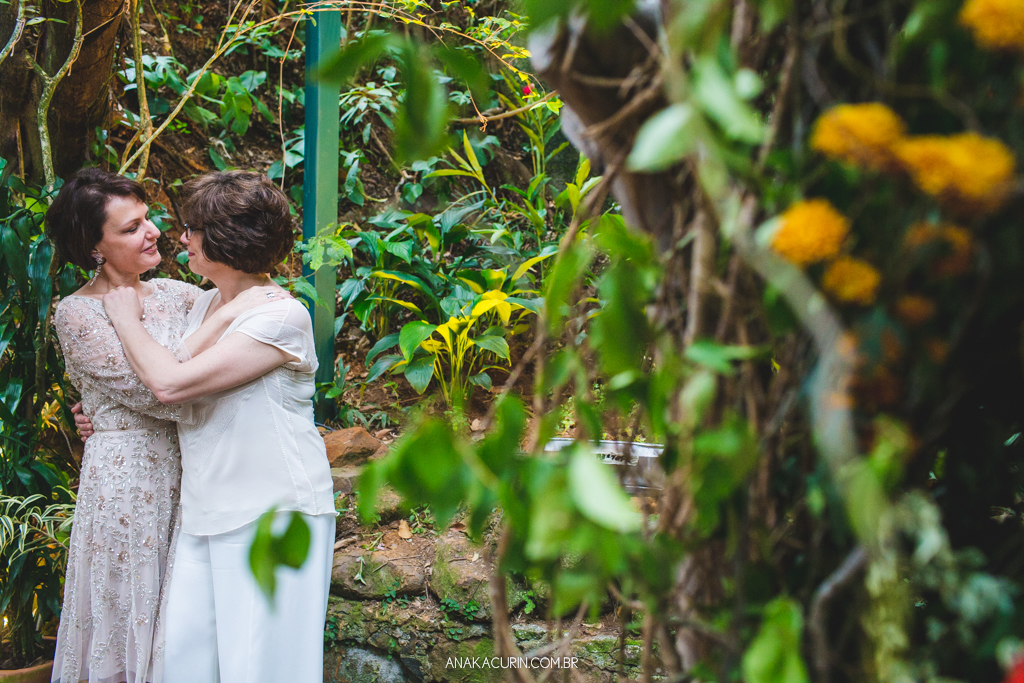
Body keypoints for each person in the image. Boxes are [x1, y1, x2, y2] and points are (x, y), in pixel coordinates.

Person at [98, 170, 335, 683]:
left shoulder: (281, 317)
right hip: (205, 513)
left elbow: (169, 383)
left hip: (273, 514)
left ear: (224, 240)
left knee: (264, 671)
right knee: (184, 665)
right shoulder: (207, 303)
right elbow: (159, 377)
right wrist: (105, 415)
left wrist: (124, 318)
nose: (181, 237)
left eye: (192, 228)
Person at [46, 168, 278, 683]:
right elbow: (162, 391)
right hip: (128, 486)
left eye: (146, 219)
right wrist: (218, 322)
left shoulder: (179, 293)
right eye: (129, 229)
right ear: (94, 248)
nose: (152, 232)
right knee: (131, 612)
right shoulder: (77, 313)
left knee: (188, 624)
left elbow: (227, 371)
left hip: (199, 470)